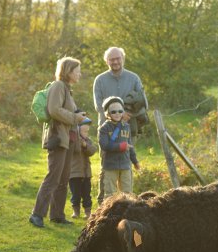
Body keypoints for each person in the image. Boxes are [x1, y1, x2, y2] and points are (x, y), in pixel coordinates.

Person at [30, 57, 87, 228]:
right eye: (77, 71)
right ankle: (37, 214)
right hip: (58, 138)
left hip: (68, 140)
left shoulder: (67, 89)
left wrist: (77, 116)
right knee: (53, 177)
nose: (79, 74)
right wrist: (75, 117)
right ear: (68, 71)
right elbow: (54, 110)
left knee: (63, 178)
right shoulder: (58, 86)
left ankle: (57, 215)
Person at [92, 47, 147, 203]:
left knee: (126, 166)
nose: (115, 61)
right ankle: (103, 204)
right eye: (111, 59)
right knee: (106, 167)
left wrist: (128, 114)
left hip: (127, 129)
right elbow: (98, 105)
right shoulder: (100, 80)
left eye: (118, 58)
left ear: (123, 58)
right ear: (106, 61)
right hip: (107, 130)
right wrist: (116, 114)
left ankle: (126, 203)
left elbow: (143, 102)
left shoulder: (134, 78)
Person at [98, 96, 140, 197]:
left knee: (127, 193)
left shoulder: (126, 126)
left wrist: (135, 161)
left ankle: (127, 208)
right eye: (113, 112)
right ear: (107, 113)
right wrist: (120, 146)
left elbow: (130, 146)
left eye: (120, 111)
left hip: (125, 165)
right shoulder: (104, 128)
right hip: (110, 166)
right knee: (110, 194)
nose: (117, 114)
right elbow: (104, 145)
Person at [69, 123, 97, 219]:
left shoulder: (88, 141)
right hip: (74, 173)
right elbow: (71, 150)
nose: (86, 133)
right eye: (84, 131)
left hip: (86, 173)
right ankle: (76, 211)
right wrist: (78, 142)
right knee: (75, 194)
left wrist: (85, 145)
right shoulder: (72, 140)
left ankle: (87, 212)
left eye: (87, 131)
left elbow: (92, 150)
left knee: (86, 194)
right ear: (78, 132)